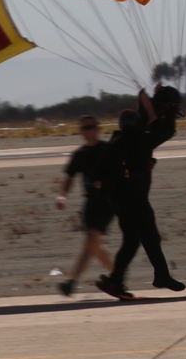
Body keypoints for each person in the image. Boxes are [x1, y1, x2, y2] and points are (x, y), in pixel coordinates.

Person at [95, 85, 185, 299]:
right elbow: (167, 131)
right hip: (135, 199)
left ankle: (115, 281)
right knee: (150, 236)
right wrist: (171, 111)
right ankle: (161, 275)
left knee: (132, 239)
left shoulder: (117, 140)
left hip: (118, 200)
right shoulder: (142, 141)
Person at [55, 114, 114, 297]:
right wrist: (62, 195)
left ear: (98, 129)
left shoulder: (109, 150)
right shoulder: (80, 155)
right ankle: (117, 275)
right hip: (89, 202)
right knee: (93, 244)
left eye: (90, 127)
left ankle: (72, 283)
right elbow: (69, 178)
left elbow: (121, 172)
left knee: (91, 239)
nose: (87, 131)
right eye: (83, 128)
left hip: (108, 201)